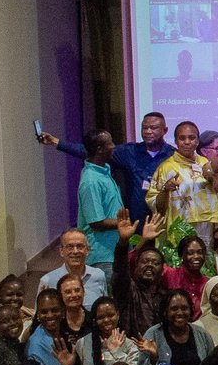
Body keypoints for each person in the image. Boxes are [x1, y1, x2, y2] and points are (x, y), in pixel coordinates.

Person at [41, 111, 173, 225]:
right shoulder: (130, 152)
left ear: (165, 130)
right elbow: (92, 151)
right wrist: (57, 142)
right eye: (144, 128)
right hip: (136, 222)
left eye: (153, 128)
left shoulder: (173, 155)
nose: (148, 131)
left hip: (164, 220)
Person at [149, 121, 218, 243]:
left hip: (204, 226)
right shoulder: (165, 168)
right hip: (178, 226)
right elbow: (154, 205)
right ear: (175, 141)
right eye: (182, 138)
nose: (187, 142)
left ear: (197, 141)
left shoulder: (204, 163)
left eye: (192, 138)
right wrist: (165, 190)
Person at [66, 297, 156, 365]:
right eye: (101, 317)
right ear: (95, 320)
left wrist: (115, 352)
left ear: (118, 315)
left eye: (110, 315)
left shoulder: (131, 345)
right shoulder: (83, 343)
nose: (106, 320)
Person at [76, 130, 126, 278]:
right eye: (110, 143)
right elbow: (96, 222)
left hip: (114, 250)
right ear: (99, 149)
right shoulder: (91, 181)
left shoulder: (103, 172)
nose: (114, 146)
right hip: (102, 255)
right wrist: (123, 223)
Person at [145, 290, 215, 365]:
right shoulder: (153, 335)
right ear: (165, 312)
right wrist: (153, 358)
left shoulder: (203, 335)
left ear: (190, 310)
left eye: (184, 308)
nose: (180, 313)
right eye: (174, 309)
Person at [40, 228, 109, 307]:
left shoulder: (98, 275)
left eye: (80, 246)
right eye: (70, 247)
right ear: (61, 251)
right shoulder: (47, 281)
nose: (75, 251)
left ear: (87, 250)